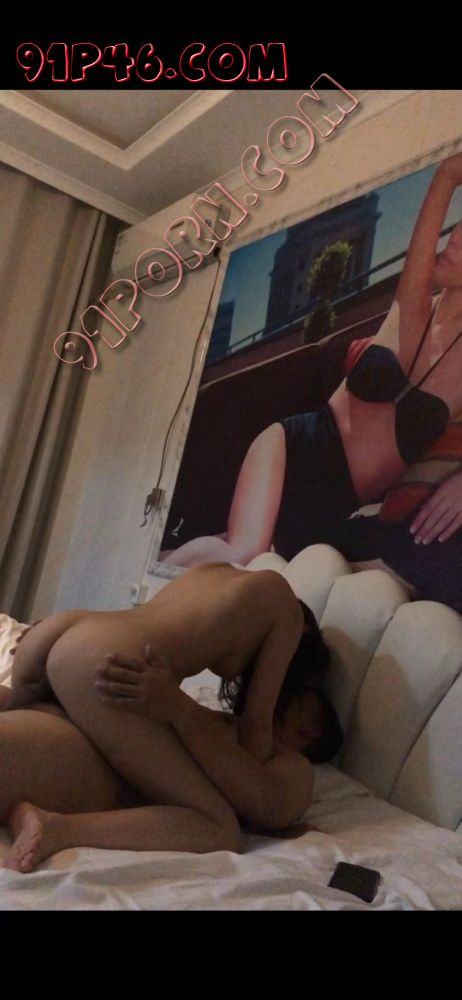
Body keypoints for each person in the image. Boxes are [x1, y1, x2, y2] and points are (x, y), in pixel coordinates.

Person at [161, 153, 462, 583]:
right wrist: (449, 174)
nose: (452, 240)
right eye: (456, 231)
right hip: (294, 445)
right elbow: (445, 179)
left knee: (248, 555)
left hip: (335, 503)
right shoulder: (411, 308)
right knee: (244, 550)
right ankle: (142, 591)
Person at [0, 561, 342, 871]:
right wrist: (258, 809)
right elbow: (257, 728)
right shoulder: (288, 616)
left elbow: (165, 644)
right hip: (106, 656)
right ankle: (57, 828)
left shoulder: (217, 572)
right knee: (219, 827)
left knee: (30, 714)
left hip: (65, 631)